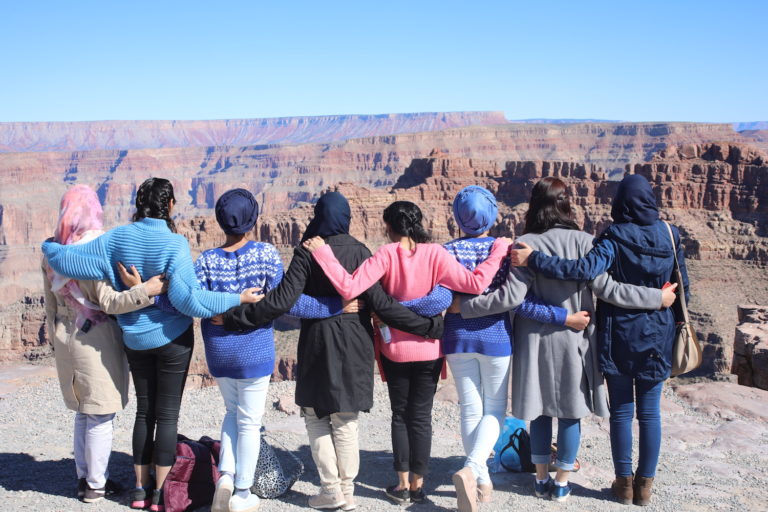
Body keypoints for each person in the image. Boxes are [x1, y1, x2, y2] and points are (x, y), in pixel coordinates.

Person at [41, 178, 261, 512]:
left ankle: (140, 491)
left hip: (135, 339)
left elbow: (66, 260)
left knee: (145, 413)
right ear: (170, 204)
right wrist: (237, 298)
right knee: (167, 415)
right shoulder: (175, 244)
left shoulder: (115, 238)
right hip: (172, 339)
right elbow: (190, 301)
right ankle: (160, 494)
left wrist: (49, 246)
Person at [218, 192, 445, 511]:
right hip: (356, 343)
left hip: (318, 344)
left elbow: (281, 301)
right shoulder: (362, 252)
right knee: (346, 417)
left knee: (316, 416)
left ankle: (330, 490)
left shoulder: (308, 250)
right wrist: (429, 327)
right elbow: (383, 305)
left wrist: (234, 318)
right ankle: (348, 492)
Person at [457, 177, 677, 503]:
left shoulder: (525, 244)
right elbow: (610, 291)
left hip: (535, 341)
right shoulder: (587, 242)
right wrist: (655, 299)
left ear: (534, 205)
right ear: (565, 205)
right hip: (576, 338)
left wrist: (465, 308)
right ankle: (561, 484)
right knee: (570, 413)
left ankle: (541, 480)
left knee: (541, 411)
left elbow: (512, 297)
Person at [303, 200, 512, 505]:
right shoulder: (437, 253)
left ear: (389, 226)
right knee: (421, 417)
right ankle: (418, 484)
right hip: (430, 349)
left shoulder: (385, 254)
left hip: (395, 348)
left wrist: (323, 253)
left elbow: (349, 288)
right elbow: (476, 283)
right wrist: (497, 251)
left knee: (400, 415)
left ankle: (401, 485)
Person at [185, 189, 366, 512]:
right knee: (250, 421)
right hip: (254, 349)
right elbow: (291, 301)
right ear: (254, 220)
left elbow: (193, 300)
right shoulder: (266, 255)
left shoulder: (207, 260)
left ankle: (225, 476)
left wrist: (224, 308)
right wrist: (335, 306)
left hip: (218, 348)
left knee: (231, 412)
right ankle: (242, 492)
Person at [441, 186, 591, 512]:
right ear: (493, 215)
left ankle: (481, 478)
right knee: (494, 409)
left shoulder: (445, 251)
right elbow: (516, 300)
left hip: (456, 337)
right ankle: (472, 469)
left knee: (470, 407)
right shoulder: (503, 247)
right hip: (495, 338)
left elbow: (441, 299)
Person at [41, 185, 168, 504]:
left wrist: (56, 343)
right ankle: (96, 485)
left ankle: (85, 478)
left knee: (84, 411)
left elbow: (50, 304)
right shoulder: (93, 249)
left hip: (65, 337)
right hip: (95, 341)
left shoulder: (53, 249)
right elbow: (109, 302)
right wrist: (147, 290)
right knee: (100, 412)